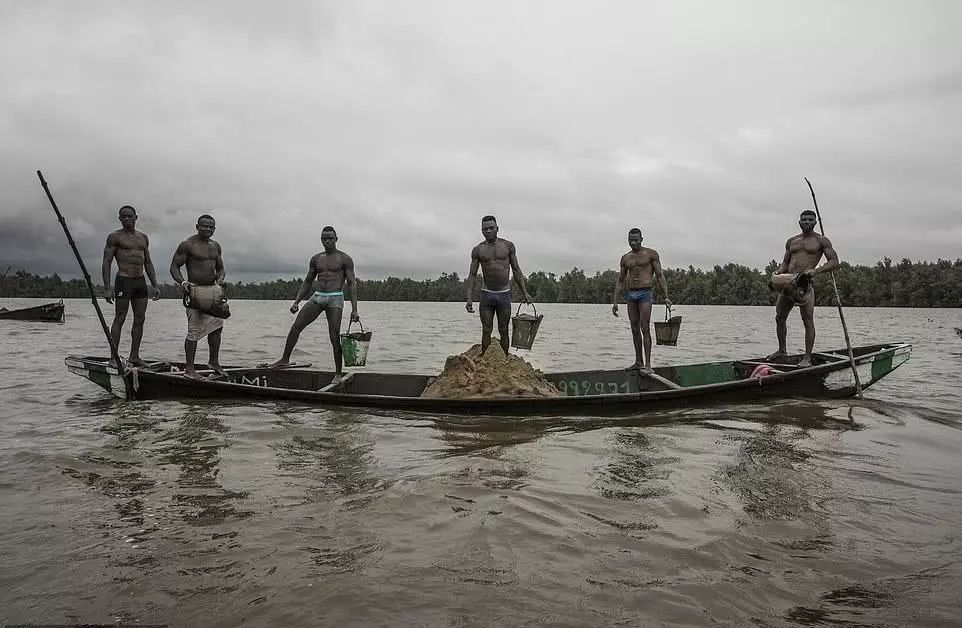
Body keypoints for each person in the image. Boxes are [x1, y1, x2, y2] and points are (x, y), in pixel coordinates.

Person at [269, 226, 359, 379]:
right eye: (324, 238)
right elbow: (308, 281)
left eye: (330, 238)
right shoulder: (316, 258)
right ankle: (284, 359)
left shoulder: (344, 258)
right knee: (296, 327)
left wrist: (354, 309)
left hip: (335, 297)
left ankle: (338, 372)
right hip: (318, 296)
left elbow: (352, 283)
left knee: (334, 335)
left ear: (336, 239)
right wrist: (296, 302)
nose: (327, 241)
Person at [768, 209, 839, 367]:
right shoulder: (792, 241)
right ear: (799, 222)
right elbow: (786, 262)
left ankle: (807, 358)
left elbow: (834, 261)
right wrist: (779, 272)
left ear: (815, 222)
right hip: (788, 284)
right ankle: (782, 350)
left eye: (810, 220)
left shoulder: (821, 241)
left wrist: (816, 270)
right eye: (804, 220)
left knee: (807, 321)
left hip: (804, 285)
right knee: (779, 317)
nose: (806, 222)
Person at [101, 205, 161, 367]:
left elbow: (147, 262)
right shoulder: (115, 237)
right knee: (120, 318)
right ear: (120, 219)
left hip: (140, 281)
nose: (126, 219)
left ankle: (134, 356)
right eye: (123, 217)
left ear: (136, 217)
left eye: (129, 216)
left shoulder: (143, 238)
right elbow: (107, 261)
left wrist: (154, 284)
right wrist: (107, 287)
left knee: (140, 319)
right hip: (124, 281)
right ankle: (114, 357)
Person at [465, 215, 533, 355]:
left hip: (504, 294)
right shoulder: (478, 250)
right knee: (486, 329)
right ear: (482, 231)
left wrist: (524, 292)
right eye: (485, 229)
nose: (488, 231)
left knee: (504, 330)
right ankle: (485, 359)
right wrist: (469, 297)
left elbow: (516, 270)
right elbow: (472, 275)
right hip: (486, 295)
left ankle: (504, 359)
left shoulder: (508, 246)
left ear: (497, 228)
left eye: (491, 228)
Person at [169, 214, 227, 378]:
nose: (208, 229)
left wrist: (221, 279)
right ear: (197, 226)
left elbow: (221, 268)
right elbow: (174, 266)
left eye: (211, 227)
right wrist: (182, 282)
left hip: (213, 292)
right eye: (205, 226)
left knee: (217, 327)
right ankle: (189, 369)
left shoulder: (215, 246)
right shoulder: (188, 245)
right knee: (194, 330)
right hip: (195, 292)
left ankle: (214, 361)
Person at [611, 227, 670, 371]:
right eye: (630, 240)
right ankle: (638, 362)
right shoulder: (625, 258)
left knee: (645, 327)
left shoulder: (651, 254)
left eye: (636, 240)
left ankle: (648, 365)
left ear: (641, 239)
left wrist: (667, 297)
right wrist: (615, 301)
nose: (633, 243)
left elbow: (660, 275)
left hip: (645, 293)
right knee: (634, 329)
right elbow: (620, 280)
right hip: (631, 295)